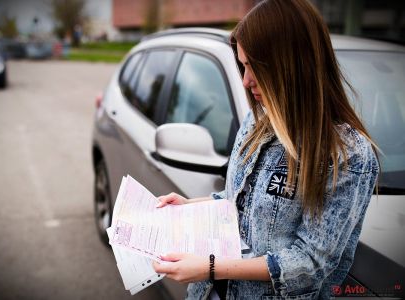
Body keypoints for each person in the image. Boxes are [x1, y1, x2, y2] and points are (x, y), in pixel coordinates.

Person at [152, 0, 379, 299]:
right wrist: (190, 205)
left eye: (253, 67)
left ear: (291, 65)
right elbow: (240, 201)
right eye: (243, 66)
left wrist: (210, 267)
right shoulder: (256, 122)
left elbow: (310, 264)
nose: (246, 81)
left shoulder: (348, 156)